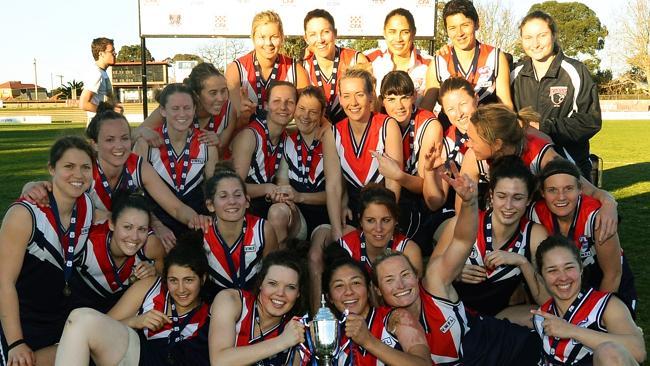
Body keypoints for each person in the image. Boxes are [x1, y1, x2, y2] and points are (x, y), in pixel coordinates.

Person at [374, 164, 541, 366]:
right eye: (389, 280)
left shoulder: (435, 284)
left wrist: (469, 202)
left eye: (405, 275)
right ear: (378, 290)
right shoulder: (383, 326)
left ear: (417, 274)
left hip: (511, 348)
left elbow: (462, 241)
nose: (400, 285)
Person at [21, 109, 212, 250]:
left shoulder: (136, 165)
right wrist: (31, 185)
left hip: (121, 240)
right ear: (94, 144)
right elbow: (55, 194)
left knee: (156, 246)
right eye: (110, 140)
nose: (119, 146)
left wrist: (199, 220)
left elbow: (176, 207)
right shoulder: (86, 168)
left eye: (124, 138)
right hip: (81, 243)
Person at [456, 103, 618, 242]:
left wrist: (609, 203)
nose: (468, 144)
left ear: (497, 144)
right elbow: (460, 213)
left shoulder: (540, 155)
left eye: (472, 139)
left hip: (535, 219)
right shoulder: (474, 157)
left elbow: (587, 188)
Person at [0, 136, 95, 366]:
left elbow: (119, 221)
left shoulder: (86, 206)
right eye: (68, 167)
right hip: (22, 323)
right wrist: (15, 342)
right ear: (51, 169)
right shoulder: (25, 215)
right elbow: (4, 282)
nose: (78, 175)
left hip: (59, 320)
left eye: (85, 167)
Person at [55, 234, 213, 366]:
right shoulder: (153, 286)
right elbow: (102, 326)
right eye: (173, 280)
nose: (181, 289)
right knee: (81, 319)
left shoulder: (213, 312)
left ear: (203, 279)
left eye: (189, 280)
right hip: (138, 357)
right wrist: (136, 321)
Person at [433, 155, 548, 319]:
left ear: (529, 199)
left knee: (545, 318)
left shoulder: (534, 234)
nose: (508, 206)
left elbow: (546, 300)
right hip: (453, 314)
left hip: (497, 317)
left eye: (517, 198)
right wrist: (454, 271)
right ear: (491, 196)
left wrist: (522, 262)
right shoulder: (463, 223)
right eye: (502, 196)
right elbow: (430, 276)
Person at [529, 158, 638, 316]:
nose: (561, 197)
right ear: (542, 193)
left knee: (607, 330)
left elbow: (613, 274)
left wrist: (593, 316)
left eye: (568, 188)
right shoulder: (536, 213)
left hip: (605, 280)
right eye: (552, 190)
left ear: (580, 189)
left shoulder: (597, 217)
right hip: (569, 280)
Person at [512, 11, 602, 179]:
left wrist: (542, 127)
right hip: (525, 173)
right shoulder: (514, 74)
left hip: (569, 170)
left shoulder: (575, 71)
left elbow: (590, 121)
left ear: (553, 35)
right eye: (528, 37)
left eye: (542, 35)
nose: (535, 43)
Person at [531, 236, 645, 365]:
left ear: (581, 268)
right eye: (552, 270)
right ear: (541, 276)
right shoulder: (542, 316)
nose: (563, 277)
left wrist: (572, 330)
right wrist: (522, 263)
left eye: (569, 267)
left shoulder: (606, 305)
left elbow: (638, 351)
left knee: (609, 352)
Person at [321, 67, 403, 239]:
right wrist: (337, 230)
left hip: (387, 209)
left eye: (359, 94)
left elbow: (393, 183)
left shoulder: (388, 126)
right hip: (354, 210)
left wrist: (386, 223)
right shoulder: (332, 134)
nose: (353, 102)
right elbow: (334, 186)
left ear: (371, 96)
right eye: (346, 96)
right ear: (340, 100)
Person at [133, 83, 218, 239]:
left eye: (187, 108)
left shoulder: (206, 144)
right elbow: (135, 193)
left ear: (194, 110)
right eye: (175, 108)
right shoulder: (146, 143)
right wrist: (155, 225)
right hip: (156, 223)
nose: (182, 114)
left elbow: (214, 191)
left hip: (195, 222)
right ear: (163, 111)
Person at [375, 70, 444, 253]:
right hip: (386, 193)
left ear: (414, 96)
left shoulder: (429, 125)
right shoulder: (377, 120)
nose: (399, 105)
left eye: (404, 97)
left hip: (418, 200)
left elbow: (424, 185)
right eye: (391, 99)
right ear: (382, 100)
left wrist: (398, 175)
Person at [322, 255, 430, 365]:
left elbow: (424, 364)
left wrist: (368, 341)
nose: (349, 292)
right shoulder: (328, 335)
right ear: (329, 297)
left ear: (369, 290)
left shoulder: (396, 318)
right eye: (339, 285)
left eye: (356, 283)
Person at [208, 249, 309, 366]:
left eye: (290, 287)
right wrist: (282, 341)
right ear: (260, 283)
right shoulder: (231, 300)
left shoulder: (295, 330)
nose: (280, 293)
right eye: (273, 283)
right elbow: (219, 361)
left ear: (298, 293)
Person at [71, 190, 165, 313]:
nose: (135, 237)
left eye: (142, 229)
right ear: (111, 224)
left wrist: (154, 274)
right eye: (127, 227)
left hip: (122, 316)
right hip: (75, 311)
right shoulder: (86, 243)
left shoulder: (151, 246)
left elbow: (166, 282)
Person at [230, 81, 297, 246]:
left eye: (290, 102)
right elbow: (234, 188)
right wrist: (268, 188)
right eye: (277, 101)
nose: (283, 107)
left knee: (281, 211)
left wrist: (281, 192)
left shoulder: (286, 138)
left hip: (266, 204)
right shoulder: (250, 136)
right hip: (243, 207)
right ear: (266, 105)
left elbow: (281, 181)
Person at [201, 163, 278, 299]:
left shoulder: (263, 230)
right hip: (214, 307)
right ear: (210, 205)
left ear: (247, 201)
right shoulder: (203, 232)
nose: (232, 201)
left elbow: (273, 276)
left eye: (237, 195)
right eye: (223, 196)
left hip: (256, 305)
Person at [422, 0, 513, 111]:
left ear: (477, 24)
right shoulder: (439, 61)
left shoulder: (495, 57)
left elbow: (506, 106)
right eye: (452, 28)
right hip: (450, 127)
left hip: (486, 125)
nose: (459, 33)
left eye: (465, 25)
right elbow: (426, 110)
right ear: (446, 30)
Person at [134, 62, 238, 158]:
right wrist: (143, 132)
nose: (221, 98)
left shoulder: (229, 111)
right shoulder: (174, 109)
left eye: (224, 91)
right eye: (213, 93)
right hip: (167, 169)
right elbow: (131, 137)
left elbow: (221, 154)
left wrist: (217, 142)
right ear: (196, 95)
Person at [226, 10, 309, 123]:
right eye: (262, 37)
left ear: (282, 37)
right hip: (245, 136)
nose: (268, 43)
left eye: (274, 37)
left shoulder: (295, 70)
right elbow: (230, 124)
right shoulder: (236, 70)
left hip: (282, 138)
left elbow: (307, 115)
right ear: (253, 38)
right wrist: (243, 117)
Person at [271, 86, 329, 242]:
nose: (306, 116)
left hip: (325, 218)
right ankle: (280, 259)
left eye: (313, 112)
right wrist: (284, 198)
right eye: (301, 108)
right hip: (297, 214)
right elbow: (283, 183)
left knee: (315, 256)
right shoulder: (287, 140)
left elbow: (336, 193)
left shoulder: (330, 141)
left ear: (322, 114)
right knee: (277, 212)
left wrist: (300, 196)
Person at [302, 9, 370, 123]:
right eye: (313, 34)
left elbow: (370, 104)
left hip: (354, 132)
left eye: (325, 32)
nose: (320, 39)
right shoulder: (303, 67)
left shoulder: (355, 60)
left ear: (335, 33)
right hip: (317, 133)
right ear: (306, 38)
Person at [364, 8, 431, 106]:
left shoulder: (430, 65)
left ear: (413, 33)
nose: (398, 38)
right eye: (392, 32)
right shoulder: (369, 59)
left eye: (404, 32)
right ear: (384, 33)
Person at [79, 37, 120, 123]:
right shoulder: (96, 74)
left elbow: (108, 98)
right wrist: (108, 112)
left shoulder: (102, 72)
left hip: (102, 122)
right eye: (111, 51)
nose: (115, 53)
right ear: (101, 54)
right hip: (97, 124)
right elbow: (83, 104)